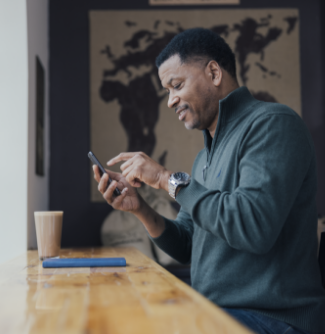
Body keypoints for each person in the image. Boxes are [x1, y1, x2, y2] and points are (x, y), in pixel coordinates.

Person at [93, 28, 325, 334]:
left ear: (214, 72)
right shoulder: (204, 159)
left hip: (275, 319)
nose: (170, 100)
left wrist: (165, 179)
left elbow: (253, 227)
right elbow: (190, 245)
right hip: (215, 312)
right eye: (166, 91)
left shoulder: (273, 125)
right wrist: (141, 209)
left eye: (176, 85)